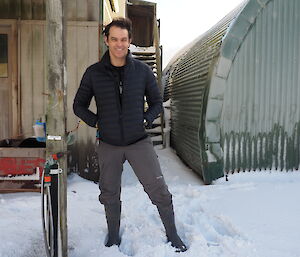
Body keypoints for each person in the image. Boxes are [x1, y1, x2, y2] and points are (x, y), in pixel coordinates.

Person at [73, 17, 187, 252]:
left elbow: (156, 102)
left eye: (123, 39)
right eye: (114, 39)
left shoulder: (143, 72)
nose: (119, 44)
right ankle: (113, 235)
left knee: (159, 191)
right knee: (109, 193)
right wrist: (97, 122)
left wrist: (145, 119)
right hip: (109, 144)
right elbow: (79, 105)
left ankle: (173, 234)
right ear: (106, 40)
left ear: (130, 41)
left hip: (138, 142)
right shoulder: (94, 73)